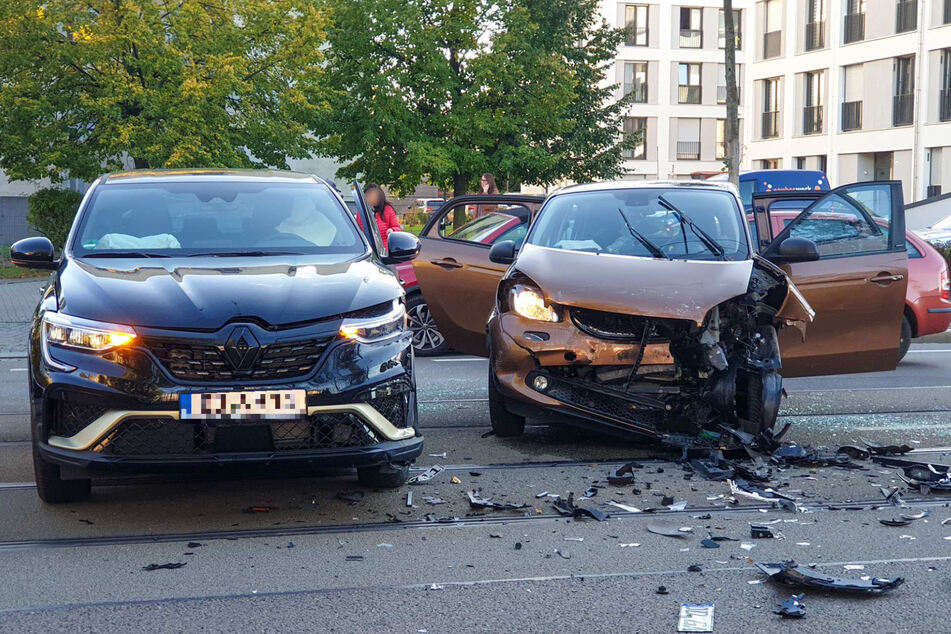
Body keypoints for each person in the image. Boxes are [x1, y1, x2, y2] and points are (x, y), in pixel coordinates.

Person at [360, 184, 402, 250]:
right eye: (368, 196)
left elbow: (397, 228)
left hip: (384, 250)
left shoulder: (388, 209)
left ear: (380, 196)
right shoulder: (361, 211)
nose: (371, 198)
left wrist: (392, 230)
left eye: (374, 196)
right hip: (367, 249)